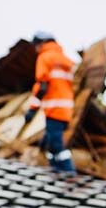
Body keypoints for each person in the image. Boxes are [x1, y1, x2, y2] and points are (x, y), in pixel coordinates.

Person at [25, 31, 77, 173]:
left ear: (41, 43)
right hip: (66, 109)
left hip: (54, 108)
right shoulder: (66, 59)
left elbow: (42, 85)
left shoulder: (45, 57)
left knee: (57, 146)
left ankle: (69, 174)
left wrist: (32, 109)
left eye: (36, 46)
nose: (36, 50)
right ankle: (54, 173)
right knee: (50, 143)